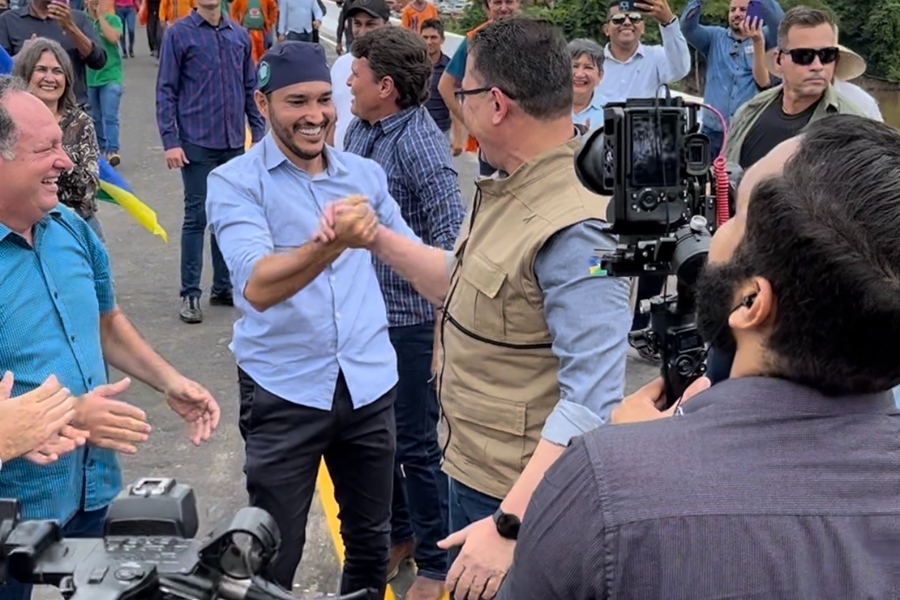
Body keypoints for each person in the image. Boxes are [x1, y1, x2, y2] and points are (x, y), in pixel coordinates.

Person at [495, 113, 900, 600]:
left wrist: (631, 463)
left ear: (751, 303)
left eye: (739, 213)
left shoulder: (605, 488)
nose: (717, 231)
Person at [319, 16, 632, 600]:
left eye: (461, 93)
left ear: (494, 104)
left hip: (519, 497)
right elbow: (463, 283)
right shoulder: (512, 184)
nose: (453, 105)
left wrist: (508, 525)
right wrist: (379, 239)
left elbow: (591, 399)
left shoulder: (576, 226)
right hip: (471, 463)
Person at [206, 42, 422, 600]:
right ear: (262, 103)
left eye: (325, 100)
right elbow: (257, 285)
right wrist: (331, 244)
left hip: (370, 384)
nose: (315, 115)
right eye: (296, 101)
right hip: (283, 390)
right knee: (273, 551)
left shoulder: (364, 175)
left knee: (373, 543)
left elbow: (413, 257)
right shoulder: (235, 181)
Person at [0, 74, 220, 600]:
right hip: (16, 526)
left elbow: (106, 321)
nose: (68, 161)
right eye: (47, 148)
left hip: (95, 495)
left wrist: (169, 381)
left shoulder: (72, 230)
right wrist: (73, 412)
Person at [344, 26, 464, 600]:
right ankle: (400, 535)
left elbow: (449, 238)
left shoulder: (420, 141)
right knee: (376, 439)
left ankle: (438, 559)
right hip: (364, 317)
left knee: (416, 444)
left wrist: (441, 334)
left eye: (357, 74)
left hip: (411, 321)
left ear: (385, 86)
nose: (348, 80)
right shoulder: (359, 128)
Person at [156, 0, 265, 324]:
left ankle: (224, 285)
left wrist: (257, 132)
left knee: (228, 216)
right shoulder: (179, 34)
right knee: (197, 216)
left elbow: (250, 87)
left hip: (233, 140)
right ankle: (190, 293)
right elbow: (166, 90)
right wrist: (170, 141)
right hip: (196, 141)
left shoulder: (239, 35)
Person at [725, 7, 866, 170]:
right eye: (804, 56)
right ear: (779, 61)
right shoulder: (749, 111)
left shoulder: (854, 127)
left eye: (827, 55)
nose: (817, 66)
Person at [13, 38, 103, 239]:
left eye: (57, 71)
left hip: (76, 227)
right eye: (41, 69)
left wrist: (53, 162)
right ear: (25, 74)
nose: (49, 78)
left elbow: (88, 187)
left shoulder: (80, 123)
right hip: (23, 230)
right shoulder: (9, 122)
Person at [681, 0, 784, 158]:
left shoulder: (764, 37)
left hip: (747, 131)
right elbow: (688, 28)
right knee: (706, 180)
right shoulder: (714, 37)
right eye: (732, 10)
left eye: (743, 9)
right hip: (712, 132)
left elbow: (780, 24)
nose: (736, 14)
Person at [436, 0, 520, 175]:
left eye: (509, 2)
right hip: (491, 141)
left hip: (525, 137)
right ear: (488, 6)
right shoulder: (475, 39)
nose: (504, 8)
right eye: (497, 2)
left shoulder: (531, 38)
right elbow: (446, 86)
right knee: (492, 196)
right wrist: (471, 124)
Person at [0, 0, 106, 106]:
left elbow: (98, 61)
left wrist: (70, 27)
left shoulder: (78, 18)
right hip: (25, 109)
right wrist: (24, 54)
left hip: (72, 110)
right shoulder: (8, 20)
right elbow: (3, 75)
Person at [595, 0, 690, 103]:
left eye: (634, 18)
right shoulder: (591, 63)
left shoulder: (656, 56)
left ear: (643, 28)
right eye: (618, 19)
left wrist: (668, 22)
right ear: (606, 30)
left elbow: (680, 70)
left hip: (646, 119)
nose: (627, 22)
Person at [329, 0, 390, 151]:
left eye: (370, 24)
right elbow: (333, 117)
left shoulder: (397, 67)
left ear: (386, 26)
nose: (362, 32)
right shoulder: (340, 65)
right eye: (357, 24)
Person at [85, 0, 124, 165]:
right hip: (89, 77)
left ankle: (112, 150)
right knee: (95, 118)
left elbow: (114, 38)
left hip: (111, 76)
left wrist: (101, 17)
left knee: (110, 116)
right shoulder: (81, 21)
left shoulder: (113, 20)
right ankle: (100, 152)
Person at [567, 38, 605, 129]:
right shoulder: (546, 109)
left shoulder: (610, 111)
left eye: (588, 67)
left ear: (600, 75)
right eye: (575, 66)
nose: (580, 74)